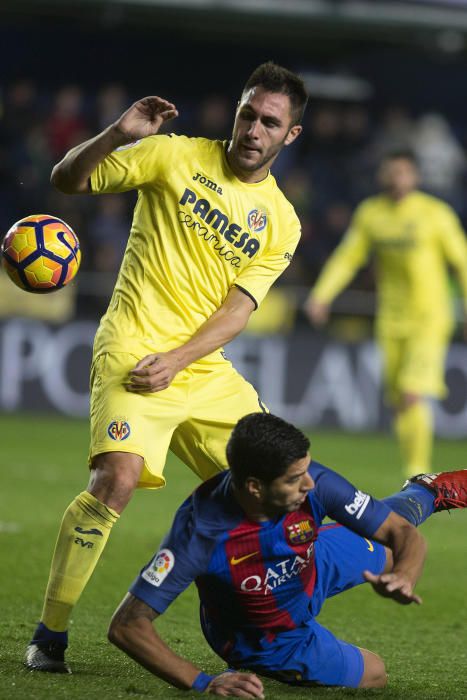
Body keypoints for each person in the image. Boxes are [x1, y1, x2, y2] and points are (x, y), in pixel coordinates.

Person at [25, 62, 308, 673]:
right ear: (236, 113)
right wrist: (117, 135)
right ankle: (50, 634)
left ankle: (260, 630)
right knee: (117, 480)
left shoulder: (282, 222)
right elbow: (67, 180)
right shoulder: (173, 155)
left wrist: (179, 360)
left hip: (202, 367)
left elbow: (237, 312)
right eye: (248, 114)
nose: (253, 129)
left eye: (270, 122)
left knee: (283, 489)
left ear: (291, 136)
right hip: (131, 345)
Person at [107, 412, 467, 696]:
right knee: (376, 673)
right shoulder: (199, 533)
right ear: (254, 487)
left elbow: (401, 533)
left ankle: (428, 490)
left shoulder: (313, 481)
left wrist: (404, 577)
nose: (309, 485)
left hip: (313, 563)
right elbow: (126, 626)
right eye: (295, 479)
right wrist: (201, 681)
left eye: (306, 470)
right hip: (265, 634)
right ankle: (250, 670)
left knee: (393, 546)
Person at [304, 150, 467, 477]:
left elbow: (462, 261)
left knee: (411, 391)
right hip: (391, 317)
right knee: (398, 399)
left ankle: (419, 471)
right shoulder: (371, 214)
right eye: (392, 172)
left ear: (416, 177)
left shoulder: (435, 214)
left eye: (404, 172)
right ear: (383, 176)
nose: (398, 179)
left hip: (430, 316)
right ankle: (414, 473)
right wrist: (321, 296)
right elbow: (349, 257)